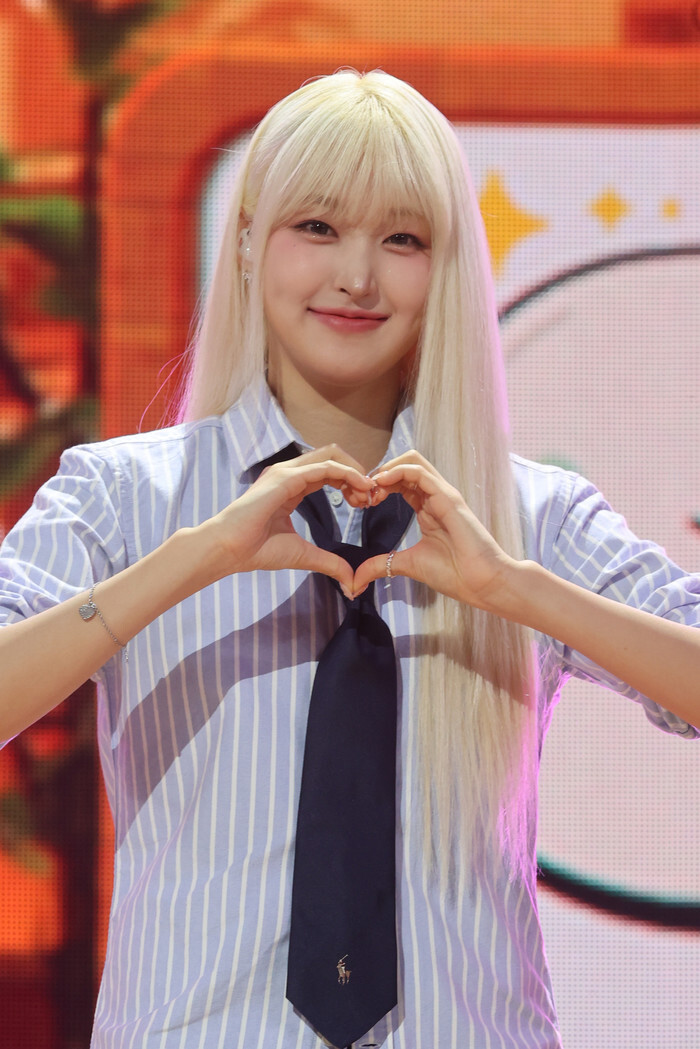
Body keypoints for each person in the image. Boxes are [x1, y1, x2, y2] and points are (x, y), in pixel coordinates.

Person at [0, 69, 699, 1049]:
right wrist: (190, 560)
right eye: (318, 228)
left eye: (403, 239)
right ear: (248, 240)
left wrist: (519, 591)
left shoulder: (531, 516)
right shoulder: (122, 496)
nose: (357, 278)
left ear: (448, 267)